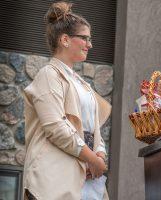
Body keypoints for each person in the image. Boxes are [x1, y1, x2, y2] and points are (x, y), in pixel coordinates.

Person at [23, 2, 110, 199]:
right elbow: (56, 127)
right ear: (65, 39)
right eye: (85, 38)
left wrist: (99, 156)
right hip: (55, 178)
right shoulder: (48, 75)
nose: (90, 44)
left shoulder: (83, 84)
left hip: (85, 177)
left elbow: (96, 130)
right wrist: (92, 159)